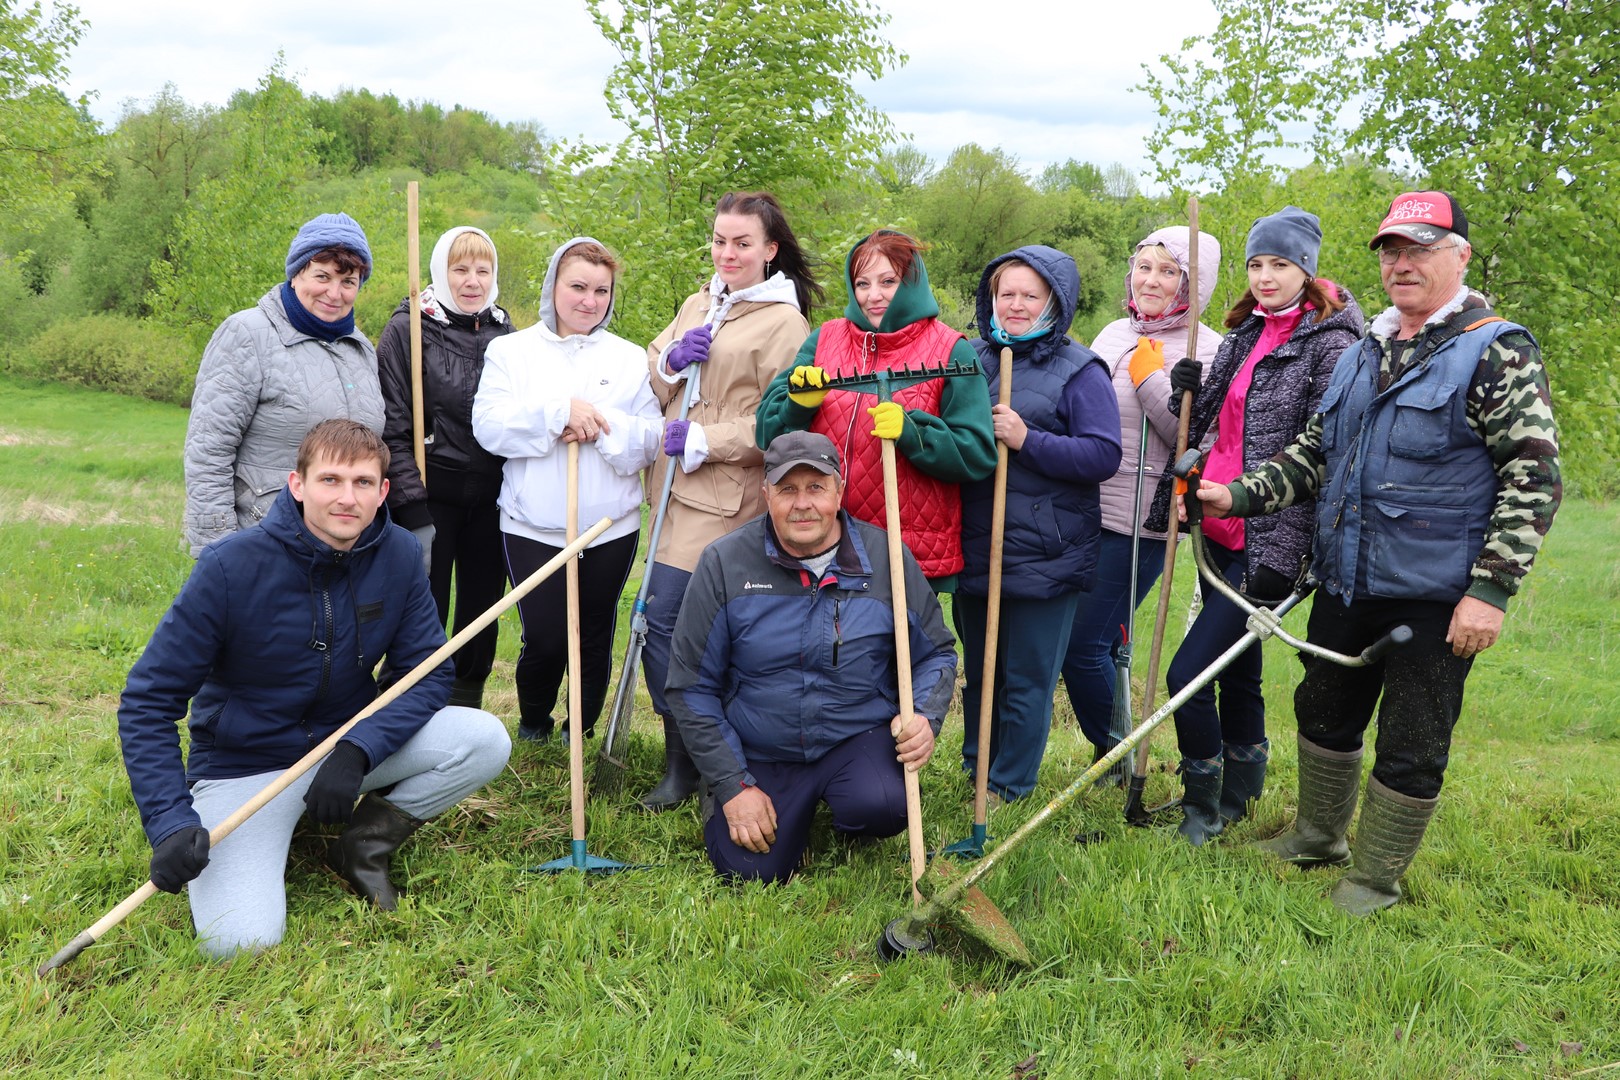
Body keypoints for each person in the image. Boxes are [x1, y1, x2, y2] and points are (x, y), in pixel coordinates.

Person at [1191, 191, 1560, 911]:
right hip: (1348, 576)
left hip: (1436, 591)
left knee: (1411, 737)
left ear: (1460, 256)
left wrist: (1490, 591)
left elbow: (1534, 475)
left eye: (1420, 249)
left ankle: (1375, 877)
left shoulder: (1497, 350)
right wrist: (1235, 496)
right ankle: (1319, 837)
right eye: (1392, 251)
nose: (1402, 264)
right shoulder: (1368, 347)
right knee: (1322, 708)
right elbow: (1317, 453)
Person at [118, 420, 512, 958]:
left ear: (383, 491)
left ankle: (364, 842)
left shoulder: (398, 553)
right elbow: (146, 704)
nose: (347, 498)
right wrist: (169, 824)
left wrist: (359, 747)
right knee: (238, 943)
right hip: (246, 771)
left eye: (363, 483)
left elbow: (427, 670)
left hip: (344, 747)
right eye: (330, 480)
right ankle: (277, 829)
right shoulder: (229, 568)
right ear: (296, 485)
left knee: (485, 738)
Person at [1149, 207, 1364, 845]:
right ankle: (1240, 792)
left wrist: (1244, 496)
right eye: (1257, 264)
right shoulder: (1246, 332)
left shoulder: (1333, 345)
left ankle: (1200, 803)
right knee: (1237, 665)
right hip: (1217, 523)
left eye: (1281, 264)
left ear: (1307, 269)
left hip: (1275, 537)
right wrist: (1188, 384)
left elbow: (1322, 450)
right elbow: (1208, 414)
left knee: (1187, 673)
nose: (1266, 277)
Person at [665, 432, 957, 882]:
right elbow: (690, 687)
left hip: (853, 734)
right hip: (760, 745)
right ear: (766, 496)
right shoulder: (724, 563)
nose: (803, 504)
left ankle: (848, 810)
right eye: (787, 490)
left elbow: (936, 651)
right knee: (750, 870)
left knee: (884, 807)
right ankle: (738, 798)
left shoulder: (885, 557)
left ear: (839, 492)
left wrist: (923, 716)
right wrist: (732, 785)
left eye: (817, 487)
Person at [637, 191, 817, 812]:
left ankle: (712, 762)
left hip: (724, 499)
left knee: (686, 625)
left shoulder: (785, 323)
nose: (728, 253)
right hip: (670, 491)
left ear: (770, 251)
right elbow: (655, 372)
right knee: (656, 624)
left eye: (742, 243)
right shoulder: (699, 302)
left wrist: (708, 439)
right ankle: (682, 759)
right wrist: (670, 364)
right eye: (720, 241)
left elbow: (780, 424)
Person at [471, 238, 662, 743]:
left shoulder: (627, 359)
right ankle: (534, 721)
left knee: (595, 633)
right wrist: (558, 414)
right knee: (547, 636)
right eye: (577, 286)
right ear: (553, 285)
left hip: (609, 526)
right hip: (533, 524)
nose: (588, 300)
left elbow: (650, 438)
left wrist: (600, 424)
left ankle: (581, 729)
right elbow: (489, 427)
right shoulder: (510, 351)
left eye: (601, 290)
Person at [956, 246, 1123, 804]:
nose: (1017, 306)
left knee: (1027, 680)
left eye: (1031, 295)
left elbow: (1103, 455)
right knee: (981, 674)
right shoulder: (971, 359)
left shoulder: (1080, 370)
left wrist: (1029, 440)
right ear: (992, 299)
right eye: (1007, 294)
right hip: (978, 545)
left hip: (1047, 553)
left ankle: (1009, 786)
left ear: (1055, 300)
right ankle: (976, 768)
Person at [1059, 226, 1224, 770]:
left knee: (1082, 648)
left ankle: (1119, 757)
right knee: (1100, 645)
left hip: (1142, 521)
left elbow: (1197, 437)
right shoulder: (1111, 332)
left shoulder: (1210, 350)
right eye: (1144, 267)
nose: (1151, 280)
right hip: (1086, 506)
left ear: (1193, 285)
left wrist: (1153, 379)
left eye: (1169, 271)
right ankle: (1118, 750)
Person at [755, 230, 996, 592]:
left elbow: (977, 453)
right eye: (862, 283)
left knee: (901, 651)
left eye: (888, 281)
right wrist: (796, 407)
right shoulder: (824, 341)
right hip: (824, 540)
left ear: (912, 282)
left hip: (906, 550)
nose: (874, 295)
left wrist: (913, 434)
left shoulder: (951, 351)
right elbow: (765, 433)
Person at [184, 213, 385, 557]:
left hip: (344, 546)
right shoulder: (246, 334)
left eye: (348, 281)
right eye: (322, 276)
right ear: (296, 274)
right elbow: (208, 450)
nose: (334, 293)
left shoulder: (361, 349)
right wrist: (217, 550)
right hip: (263, 540)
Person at [376, 226, 514, 710]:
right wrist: (411, 504)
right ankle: (407, 706)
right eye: (460, 268)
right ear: (440, 270)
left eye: (483, 269)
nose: (472, 280)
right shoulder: (409, 327)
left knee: (481, 609)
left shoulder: (506, 334)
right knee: (423, 607)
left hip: (493, 498)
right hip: (429, 494)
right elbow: (392, 423)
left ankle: (464, 707)